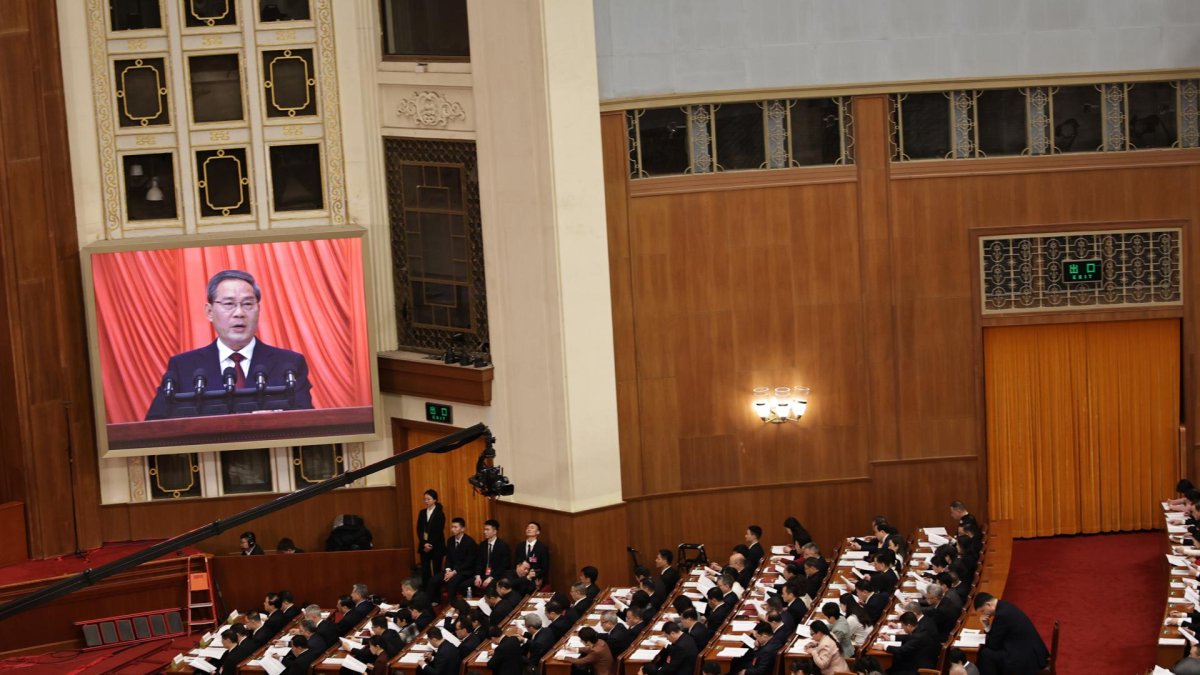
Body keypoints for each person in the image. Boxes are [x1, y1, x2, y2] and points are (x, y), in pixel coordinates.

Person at [145, 269, 312, 419]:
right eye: (229, 304)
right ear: (209, 312)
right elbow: (154, 425)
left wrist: (275, 421)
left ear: (258, 310)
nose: (239, 313)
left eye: (247, 304)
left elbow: (307, 422)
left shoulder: (289, 364)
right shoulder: (183, 367)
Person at [974, 593, 1049, 675]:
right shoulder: (1004, 605)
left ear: (988, 604)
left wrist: (987, 626)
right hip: (1031, 648)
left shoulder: (1001, 615)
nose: (983, 614)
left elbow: (993, 645)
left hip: (1027, 657)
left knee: (986, 654)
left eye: (982, 611)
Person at [417, 489, 446, 598]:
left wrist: (430, 544)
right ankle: (426, 595)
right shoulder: (422, 512)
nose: (426, 501)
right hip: (424, 546)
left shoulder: (440, 513)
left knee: (437, 570)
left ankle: (437, 596)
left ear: (435, 500)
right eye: (425, 499)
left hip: (436, 546)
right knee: (425, 570)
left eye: (428, 499)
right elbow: (419, 529)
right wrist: (424, 543)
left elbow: (439, 531)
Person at [443, 517, 477, 599]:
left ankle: (452, 605)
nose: (452, 529)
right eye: (452, 527)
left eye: (455, 527)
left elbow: (469, 562)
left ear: (462, 529)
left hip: (464, 571)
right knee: (433, 580)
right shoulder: (450, 540)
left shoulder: (470, 542)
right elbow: (448, 558)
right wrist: (448, 570)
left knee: (451, 582)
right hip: (451, 570)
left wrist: (454, 572)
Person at [474, 519, 511, 591]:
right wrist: (477, 576)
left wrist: (491, 577)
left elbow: (504, 566)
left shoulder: (503, 546)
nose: (485, 532)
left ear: (495, 531)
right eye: (484, 529)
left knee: (489, 586)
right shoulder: (482, 545)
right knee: (464, 585)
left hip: (496, 576)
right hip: (483, 575)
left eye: (487, 530)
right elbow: (478, 562)